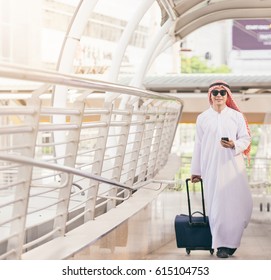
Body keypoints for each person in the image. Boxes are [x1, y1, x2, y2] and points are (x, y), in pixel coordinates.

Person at [190, 80, 253, 258]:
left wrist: (234, 144)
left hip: (233, 168)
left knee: (239, 205)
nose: (218, 95)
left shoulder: (236, 116)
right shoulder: (202, 118)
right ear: (210, 95)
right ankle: (221, 245)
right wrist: (196, 170)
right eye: (215, 92)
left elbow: (246, 139)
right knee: (216, 206)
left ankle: (232, 241)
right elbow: (199, 145)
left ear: (227, 96)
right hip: (211, 168)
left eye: (222, 92)